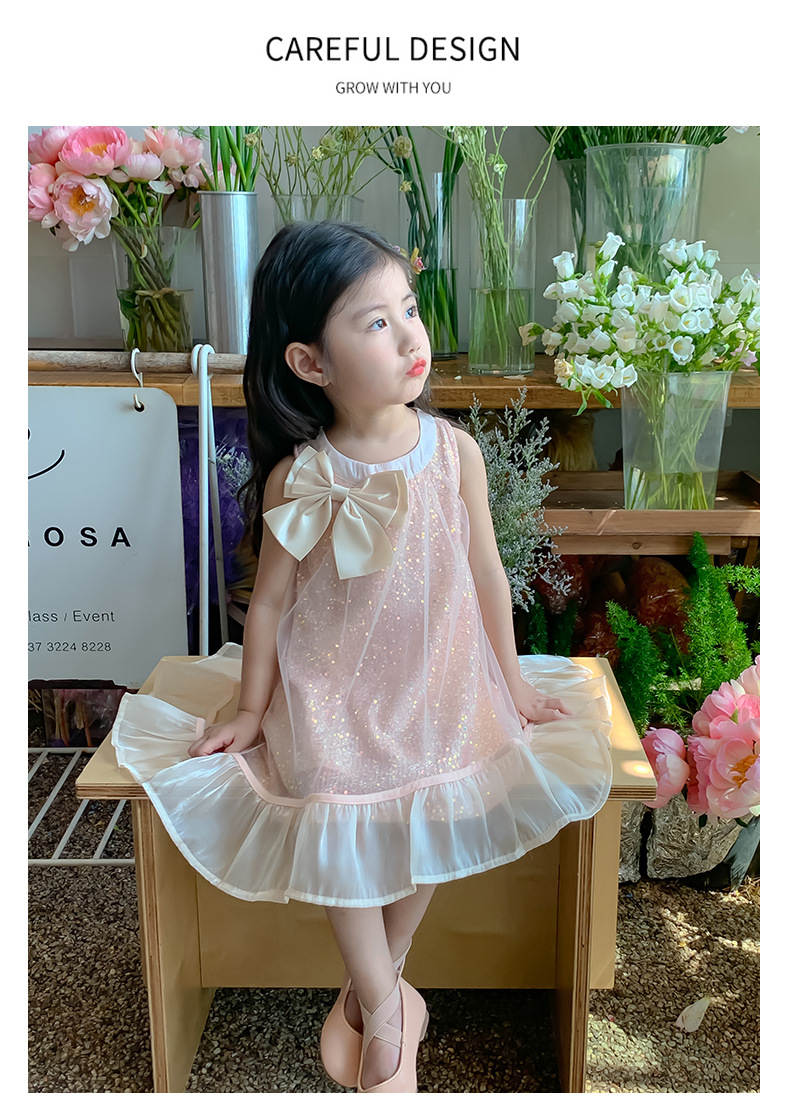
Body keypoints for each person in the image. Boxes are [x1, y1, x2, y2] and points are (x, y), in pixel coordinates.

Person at [112, 220, 612, 1093]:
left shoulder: (454, 454)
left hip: (440, 682)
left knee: (438, 807)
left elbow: (485, 573)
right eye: (376, 323)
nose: (412, 337)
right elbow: (271, 603)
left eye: (409, 310)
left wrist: (512, 684)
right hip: (332, 690)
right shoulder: (302, 476)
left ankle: (377, 991)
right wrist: (251, 709)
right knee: (332, 807)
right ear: (311, 363)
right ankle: (386, 1012)